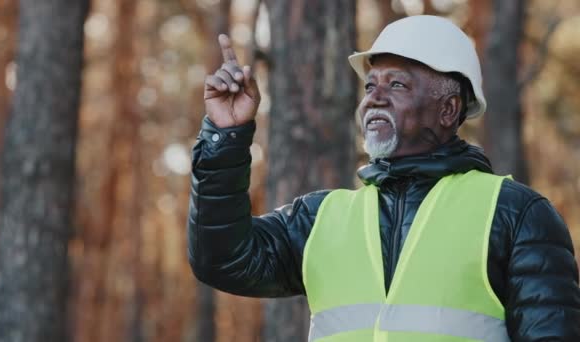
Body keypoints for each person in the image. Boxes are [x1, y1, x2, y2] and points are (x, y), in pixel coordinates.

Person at [188, 15, 580, 341]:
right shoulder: (320, 218)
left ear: (448, 109)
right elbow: (221, 259)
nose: (374, 98)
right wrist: (226, 136)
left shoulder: (516, 215)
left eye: (396, 84)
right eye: (370, 85)